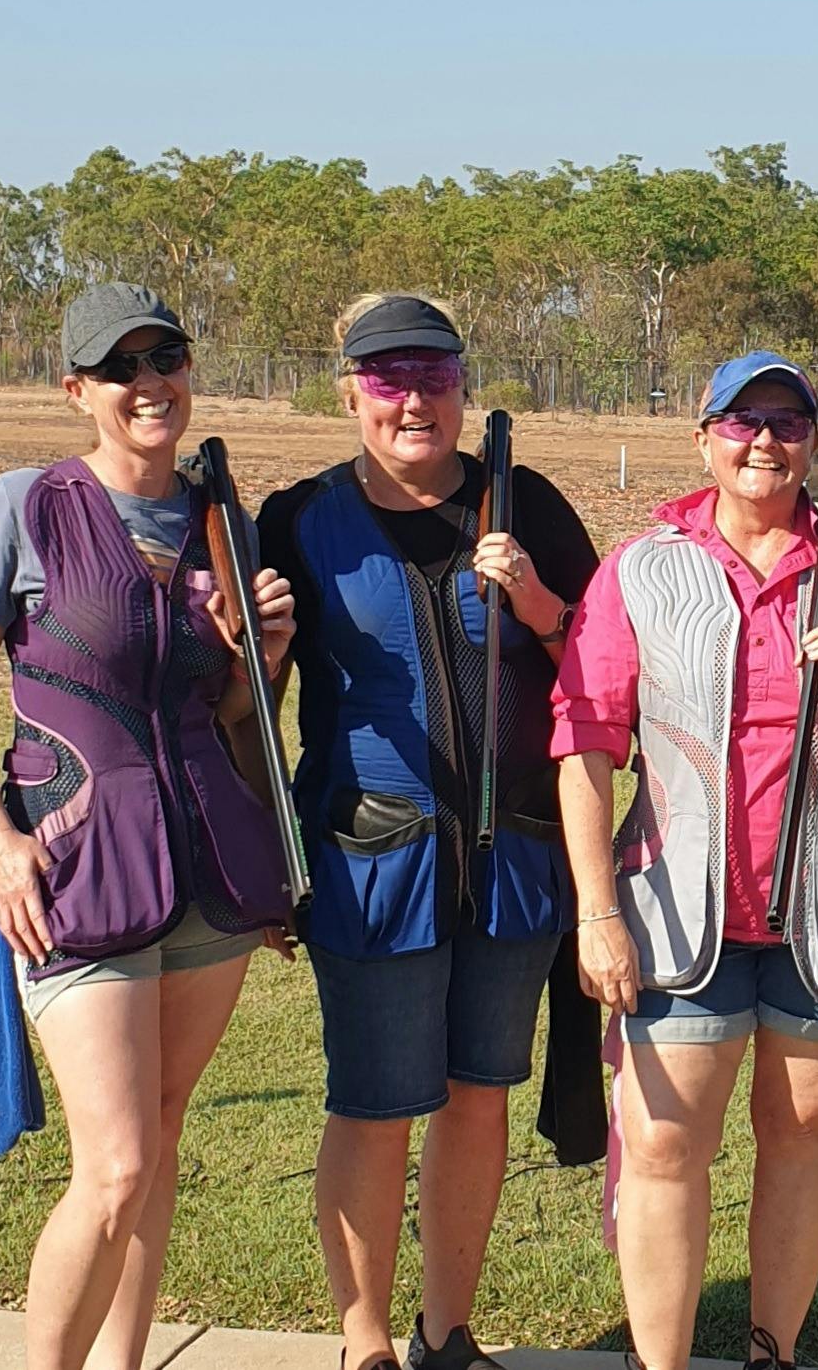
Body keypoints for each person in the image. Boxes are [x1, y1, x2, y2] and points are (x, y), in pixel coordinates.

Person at [552, 350, 818, 1370]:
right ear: (704, 439)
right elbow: (583, 743)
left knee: (802, 1136)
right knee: (661, 1148)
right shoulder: (643, 568)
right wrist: (598, 912)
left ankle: (774, 1351)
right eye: (742, 422)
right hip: (679, 918)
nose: (764, 440)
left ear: (813, 442)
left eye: (786, 421)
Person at [0, 282, 296, 1370]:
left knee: (163, 1140)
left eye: (165, 358)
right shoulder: (23, 505)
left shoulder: (228, 521)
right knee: (118, 1166)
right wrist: (0, 845)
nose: (150, 384)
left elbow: (232, 717)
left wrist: (261, 655)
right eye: (121, 367)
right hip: (73, 873)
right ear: (77, 390)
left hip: (207, 878)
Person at [256, 294, 598, 1370]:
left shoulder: (525, 501)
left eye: (434, 377)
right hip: (371, 858)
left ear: (464, 384)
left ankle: (448, 1332)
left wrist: (539, 603)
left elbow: (604, 670)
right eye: (387, 378)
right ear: (350, 389)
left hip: (516, 862)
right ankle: (364, 1343)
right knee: (373, 1105)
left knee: (477, 1099)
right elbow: (241, 711)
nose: (413, 400)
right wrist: (259, 655)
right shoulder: (296, 518)